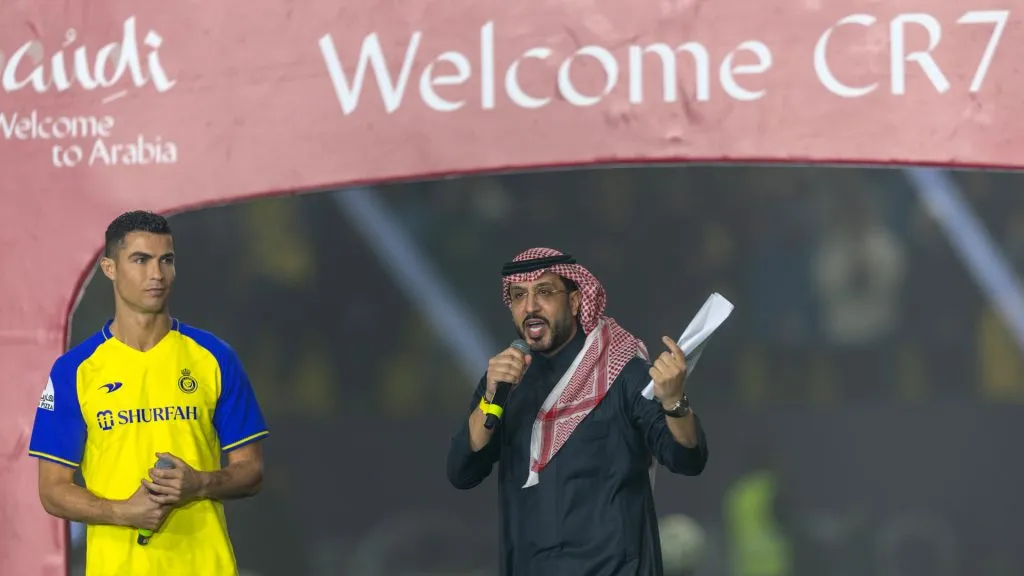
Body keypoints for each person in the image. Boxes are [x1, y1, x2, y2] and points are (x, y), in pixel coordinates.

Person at [28, 210, 269, 576]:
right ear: (109, 268)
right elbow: (52, 490)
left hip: (206, 566)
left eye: (166, 260)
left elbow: (251, 471)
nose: (157, 274)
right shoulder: (74, 371)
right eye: (140, 260)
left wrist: (200, 483)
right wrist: (121, 511)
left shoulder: (215, 357)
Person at [446, 247, 710, 575]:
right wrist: (490, 398)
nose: (530, 307)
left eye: (544, 292)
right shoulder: (506, 381)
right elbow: (462, 471)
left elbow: (687, 458)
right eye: (518, 296)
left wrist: (673, 400)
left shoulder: (623, 373)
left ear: (574, 301)